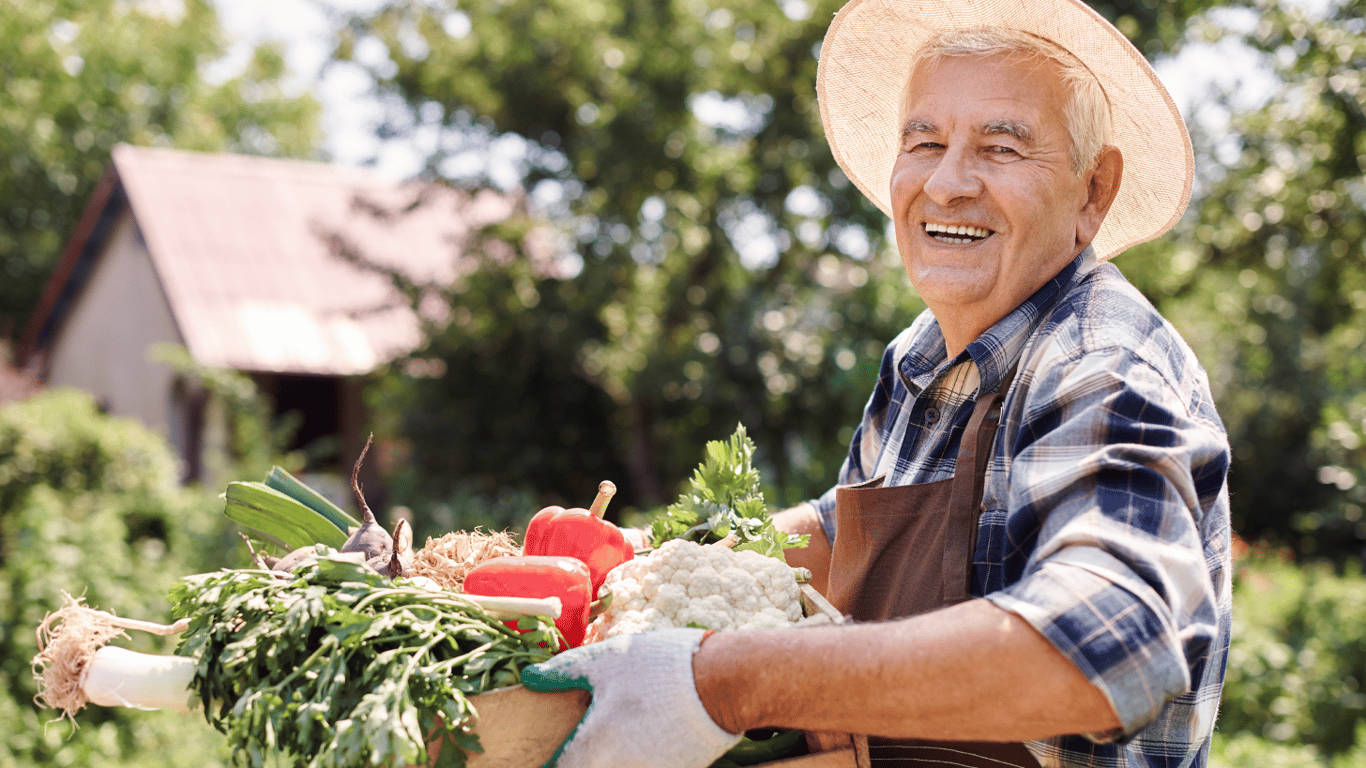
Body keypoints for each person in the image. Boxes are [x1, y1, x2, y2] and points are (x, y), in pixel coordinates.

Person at [521, 0, 1233, 766]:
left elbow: (1110, 645)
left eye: (1001, 148)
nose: (949, 182)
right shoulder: (922, 357)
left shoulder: (1100, 362)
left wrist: (725, 682)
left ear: (1093, 191)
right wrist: (653, 567)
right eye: (924, 141)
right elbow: (838, 536)